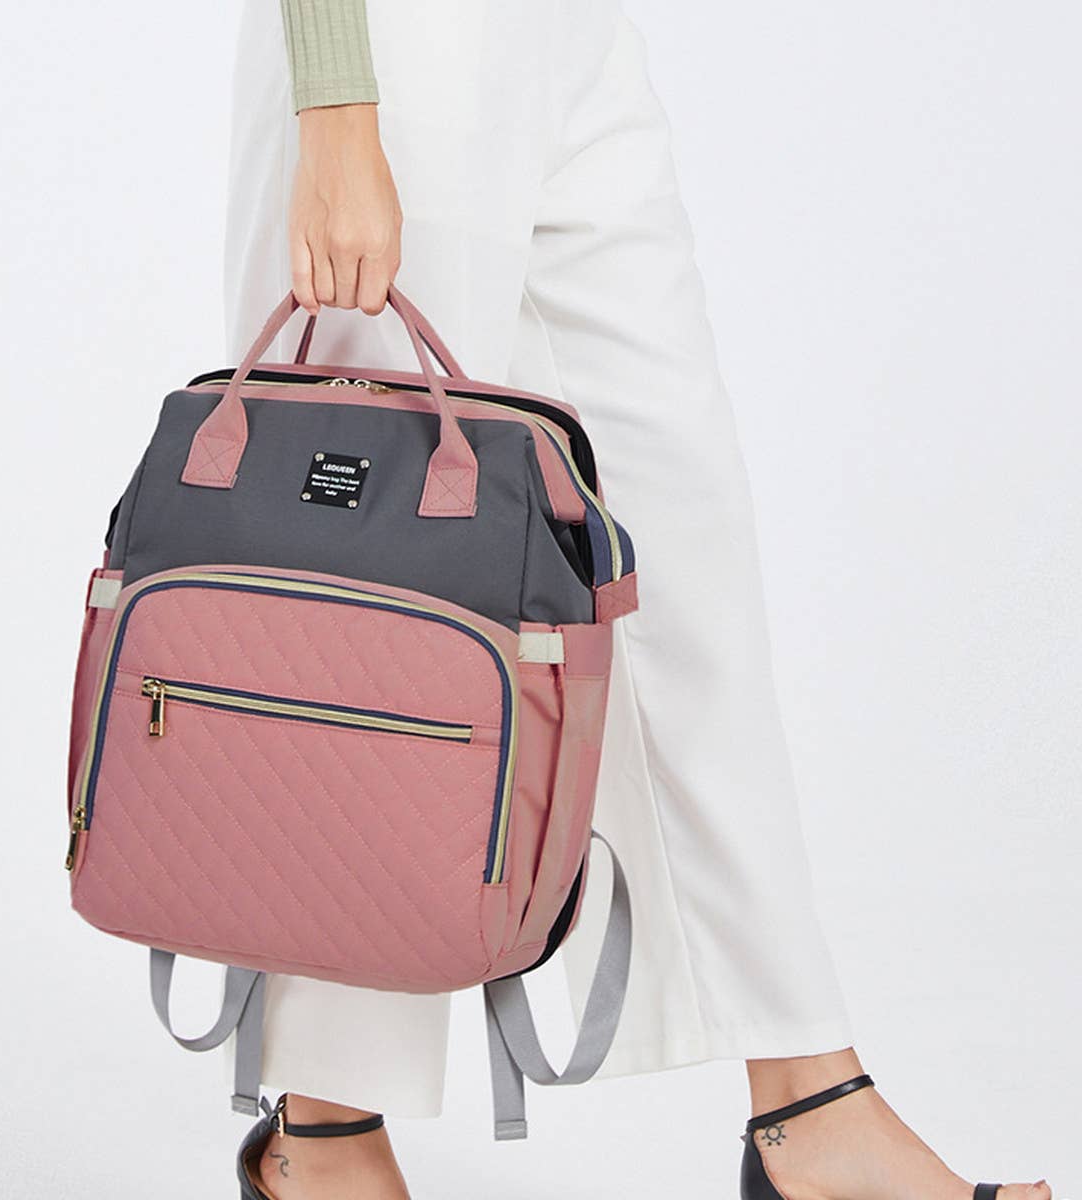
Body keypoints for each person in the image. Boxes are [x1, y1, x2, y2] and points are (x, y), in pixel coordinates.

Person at [223, 3, 1053, 1198]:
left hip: (575, 40)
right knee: (368, 598)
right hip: (389, 44)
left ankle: (808, 1107)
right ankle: (325, 1130)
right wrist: (337, 98)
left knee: (673, 553)